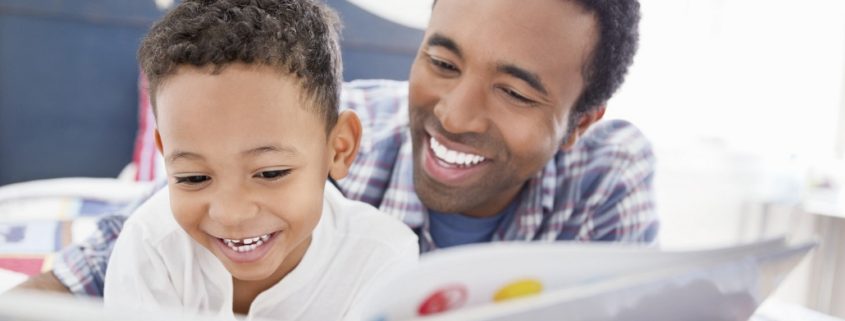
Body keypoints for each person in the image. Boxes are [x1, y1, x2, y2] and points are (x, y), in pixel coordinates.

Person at [17, 0, 658, 296]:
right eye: (440, 60)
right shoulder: (301, 126)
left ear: (579, 123)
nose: (455, 115)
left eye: (515, 93)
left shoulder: (606, 176)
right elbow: (77, 276)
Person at [98, 0, 418, 319]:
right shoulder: (151, 247)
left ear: (339, 148)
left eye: (270, 173)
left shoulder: (381, 258)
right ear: (164, 153)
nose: (231, 214)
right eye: (193, 177)